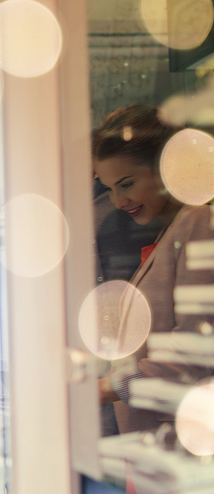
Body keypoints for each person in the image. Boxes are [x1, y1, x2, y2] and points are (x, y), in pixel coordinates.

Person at [92, 103, 214, 434]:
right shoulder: (173, 230)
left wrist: (102, 389)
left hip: (179, 442)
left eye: (127, 184)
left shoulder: (199, 223)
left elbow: (194, 352)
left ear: (163, 169)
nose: (118, 202)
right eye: (110, 188)